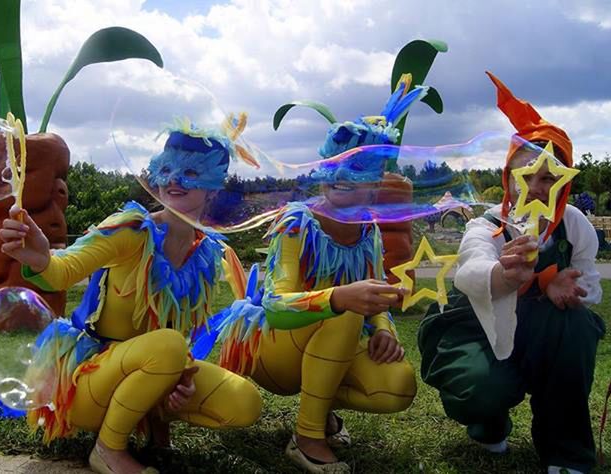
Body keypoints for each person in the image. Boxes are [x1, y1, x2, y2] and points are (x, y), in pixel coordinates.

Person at [0, 120, 262, 474]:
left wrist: (179, 381)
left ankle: (154, 423)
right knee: (168, 346)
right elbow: (64, 269)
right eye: (166, 168)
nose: (173, 180)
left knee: (245, 402)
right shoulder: (131, 229)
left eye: (190, 172)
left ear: (213, 188)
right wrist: (42, 257)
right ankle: (108, 449)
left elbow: (177, 333)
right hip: (89, 381)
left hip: (151, 370)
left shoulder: (206, 252)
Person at [202, 79, 427, 473]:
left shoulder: (369, 232)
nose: (341, 174)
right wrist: (339, 299)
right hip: (271, 349)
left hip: (328, 344)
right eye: (334, 163)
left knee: (398, 386)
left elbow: (373, 297)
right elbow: (275, 306)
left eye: (356, 167)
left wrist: (386, 331)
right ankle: (307, 438)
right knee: (345, 311)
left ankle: (318, 407)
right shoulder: (298, 223)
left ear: (375, 186)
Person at [418, 72, 605, 474]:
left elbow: (590, 285)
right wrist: (509, 276)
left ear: (565, 184)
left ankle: (567, 452)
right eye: (528, 176)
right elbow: (470, 269)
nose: (538, 187)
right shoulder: (487, 225)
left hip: (540, 332)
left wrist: (572, 289)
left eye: (551, 178)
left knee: (574, 326)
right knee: (483, 387)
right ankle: (488, 419)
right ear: (509, 179)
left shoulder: (575, 226)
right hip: (475, 328)